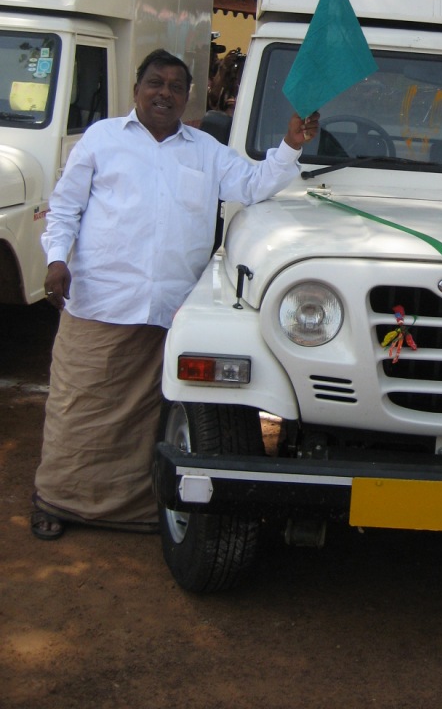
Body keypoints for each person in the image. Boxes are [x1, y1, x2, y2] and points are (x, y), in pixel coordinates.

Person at [31, 49, 319, 540]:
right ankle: (57, 500)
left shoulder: (206, 149)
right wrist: (57, 259)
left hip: (169, 311)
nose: (164, 93)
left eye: (176, 87)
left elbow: (253, 185)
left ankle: (138, 509)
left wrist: (290, 145)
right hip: (100, 304)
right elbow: (65, 209)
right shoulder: (101, 139)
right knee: (78, 411)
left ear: (188, 97)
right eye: (155, 83)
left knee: (149, 420)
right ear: (136, 90)